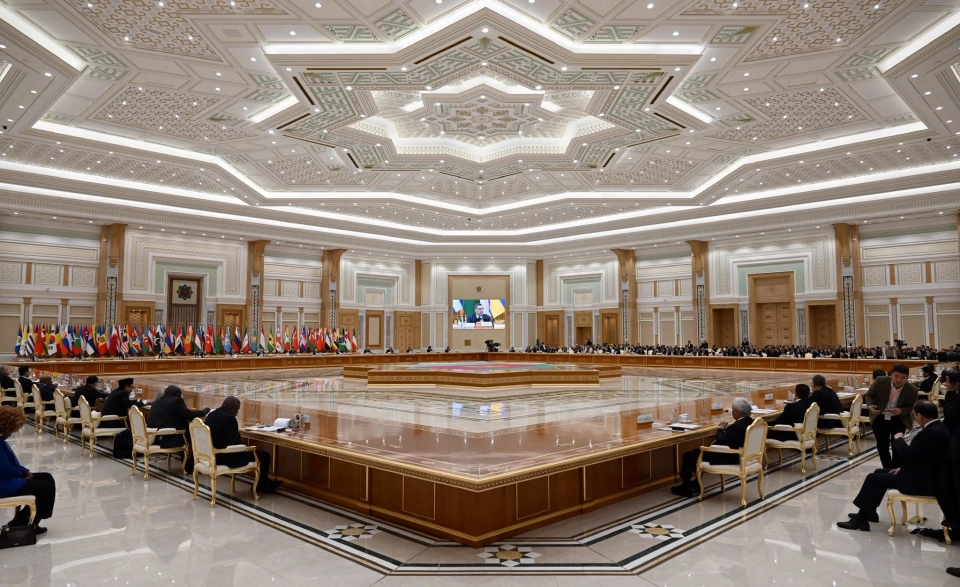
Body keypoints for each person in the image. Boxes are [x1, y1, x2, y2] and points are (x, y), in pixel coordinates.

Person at [837, 401, 948, 531]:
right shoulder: (939, 428)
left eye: (914, 414)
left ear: (919, 415)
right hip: (924, 474)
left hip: (920, 482)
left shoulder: (929, 434)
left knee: (873, 478)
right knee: (879, 472)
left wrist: (899, 439)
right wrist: (902, 468)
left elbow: (908, 454)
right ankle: (869, 512)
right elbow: (923, 458)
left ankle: (860, 520)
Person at [671, 397, 754, 498]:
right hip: (739, 455)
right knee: (695, 452)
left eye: (732, 409)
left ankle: (686, 486)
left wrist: (720, 430)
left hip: (727, 456)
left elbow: (720, 441)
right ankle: (696, 483)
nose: (732, 411)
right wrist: (725, 431)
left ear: (737, 412)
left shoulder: (738, 426)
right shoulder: (750, 422)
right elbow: (731, 437)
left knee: (689, 455)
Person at [203, 397, 282, 494]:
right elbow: (235, 442)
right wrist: (247, 447)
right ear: (231, 408)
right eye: (237, 410)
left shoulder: (212, 415)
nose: (237, 413)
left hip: (212, 455)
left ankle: (263, 482)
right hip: (226, 457)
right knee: (265, 456)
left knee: (257, 453)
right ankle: (262, 484)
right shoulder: (229, 418)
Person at [0, 406, 56, 534]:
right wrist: (22, 474)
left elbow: (10, 464)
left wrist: (25, 471)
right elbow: (5, 467)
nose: (15, 431)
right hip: (3, 484)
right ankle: (23, 522)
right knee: (45, 488)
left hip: (6, 478)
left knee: (47, 477)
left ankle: (27, 520)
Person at [864, 364, 918, 469]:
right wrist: (870, 406)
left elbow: (911, 407)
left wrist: (901, 410)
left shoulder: (912, 389)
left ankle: (895, 469)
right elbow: (869, 395)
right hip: (880, 417)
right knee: (882, 445)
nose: (899, 380)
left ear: (907, 377)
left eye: (903, 377)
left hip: (899, 419)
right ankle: (887, 469)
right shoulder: (880, 381)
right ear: (891, 375)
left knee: (897, 445)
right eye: (896, 376)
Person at [148, 385, 209, 472]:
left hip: (157, 437)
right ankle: (193, 464)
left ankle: (192, 463)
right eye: (180, 394)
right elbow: (188, 415)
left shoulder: (157, 401)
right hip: (170, 437)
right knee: (194, 433)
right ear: (176, 394)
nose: (181, 397)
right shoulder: (176, 401)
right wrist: (203, 412)